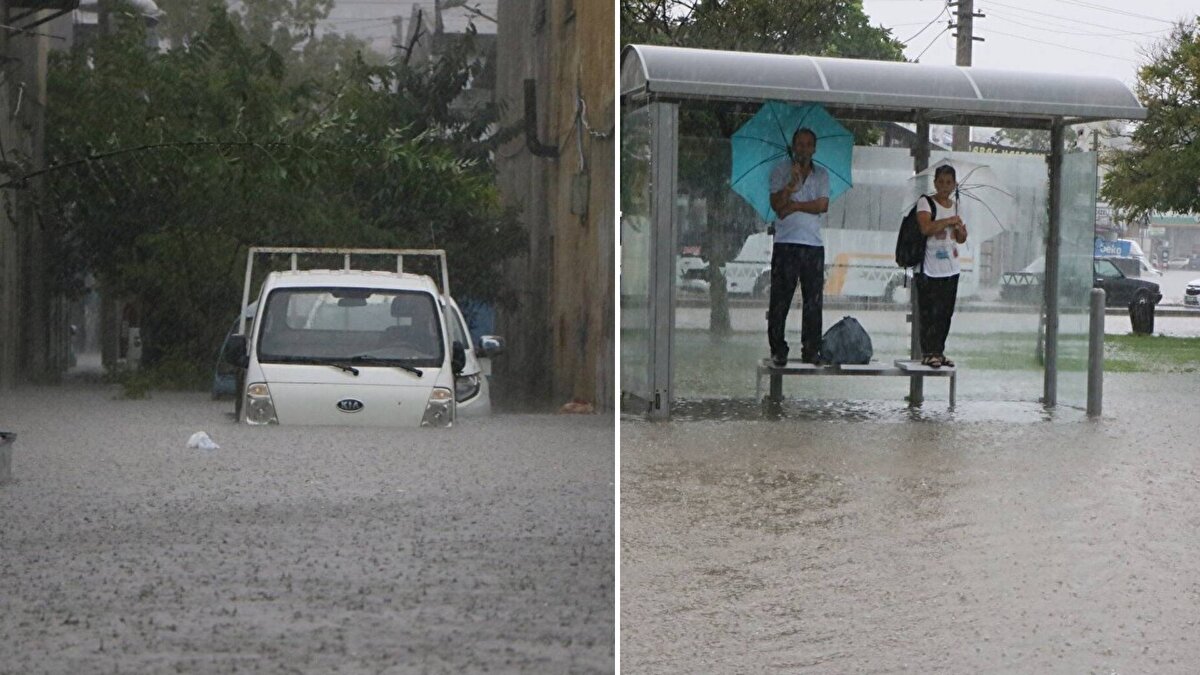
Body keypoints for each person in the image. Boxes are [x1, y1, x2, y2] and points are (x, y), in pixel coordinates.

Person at [767, 127, 830, 367]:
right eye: (800, 144)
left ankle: (811, 348)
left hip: (812, 244)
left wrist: (794, 206)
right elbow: (776, 205)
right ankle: (778, 348)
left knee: (813, 300)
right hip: (785, 244)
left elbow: (822, 205)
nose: (804, 149)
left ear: (814, 149)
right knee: (780, 299)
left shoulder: (821, 174)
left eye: (808, 144)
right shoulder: (780, 171)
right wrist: (790, 188)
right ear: (794, 147)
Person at [915, 164, 968, 368]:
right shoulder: (925, 203)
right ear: (935, 183)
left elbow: (960, 238)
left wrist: (960, 229)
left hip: (951, 267)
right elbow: (926, 228)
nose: (945, 186)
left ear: (954, 184)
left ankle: (939, 350)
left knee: (945, 312)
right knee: (929, 311)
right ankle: (928, 352)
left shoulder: (956, 206)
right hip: (929, 267)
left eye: (949, 182)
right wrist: (947, 221)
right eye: (941, 182)